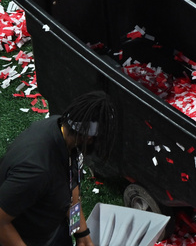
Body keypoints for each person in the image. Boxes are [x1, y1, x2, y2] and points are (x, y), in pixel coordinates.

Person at [0, 91, 116, 246]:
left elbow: (71, 184)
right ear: (89, 138)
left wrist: (81, 232)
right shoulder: (37, 170)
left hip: (52, 227)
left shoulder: (62, 130)